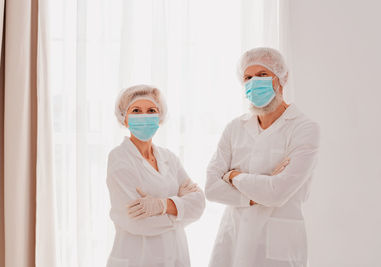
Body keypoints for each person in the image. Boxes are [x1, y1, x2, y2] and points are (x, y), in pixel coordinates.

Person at [205, 47, 320, 267]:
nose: (254, 82)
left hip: (278, 245)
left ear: (281, 79)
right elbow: (211, 188)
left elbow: (277, 193)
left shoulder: (304, 128)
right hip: (233, 238)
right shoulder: (235, 127)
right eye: (248, 77)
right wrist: (257, 193)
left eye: (262, 75)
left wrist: (233, 176)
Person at [106, 84, 205, 267]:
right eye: (136, 110)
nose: (144, 116)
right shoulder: (119, 158)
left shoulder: (169, 158)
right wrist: (180, 208)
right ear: (124, 118)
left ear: (160, 117)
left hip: (176, 255)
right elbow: (135, 221)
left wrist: (161, 205)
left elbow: (199, 204)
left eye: (151, 110)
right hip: (138, 258)